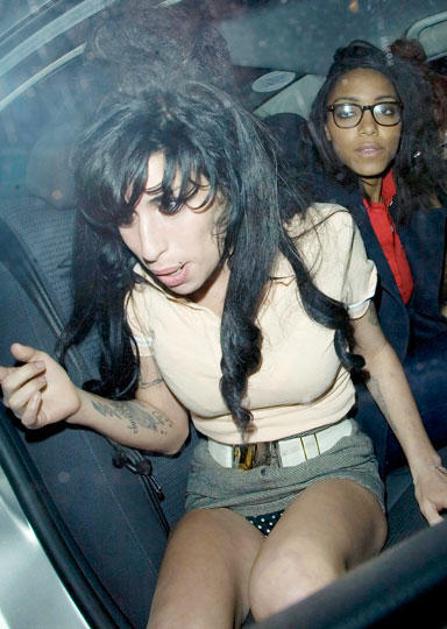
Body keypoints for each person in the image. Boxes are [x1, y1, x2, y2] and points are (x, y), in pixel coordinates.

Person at [1, 83, 447, 627]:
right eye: (125, 216)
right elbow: (168, 428)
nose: (148, 246)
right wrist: (77, 404)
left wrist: (426, 468)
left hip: (330, 471)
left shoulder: (324, 238)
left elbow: (373, 351)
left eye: (169, 204)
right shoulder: (142, 295)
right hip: (220, 493)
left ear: (228, 186)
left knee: (290, 584)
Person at [298, 40, 447, 473]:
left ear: (401, 123)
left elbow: (425, 315)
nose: (368, 127)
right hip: (363, 403)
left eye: (384, 111)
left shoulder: (408, 195)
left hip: (415, 364)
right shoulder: (320, 213)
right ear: (325, 128)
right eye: (347, 112)